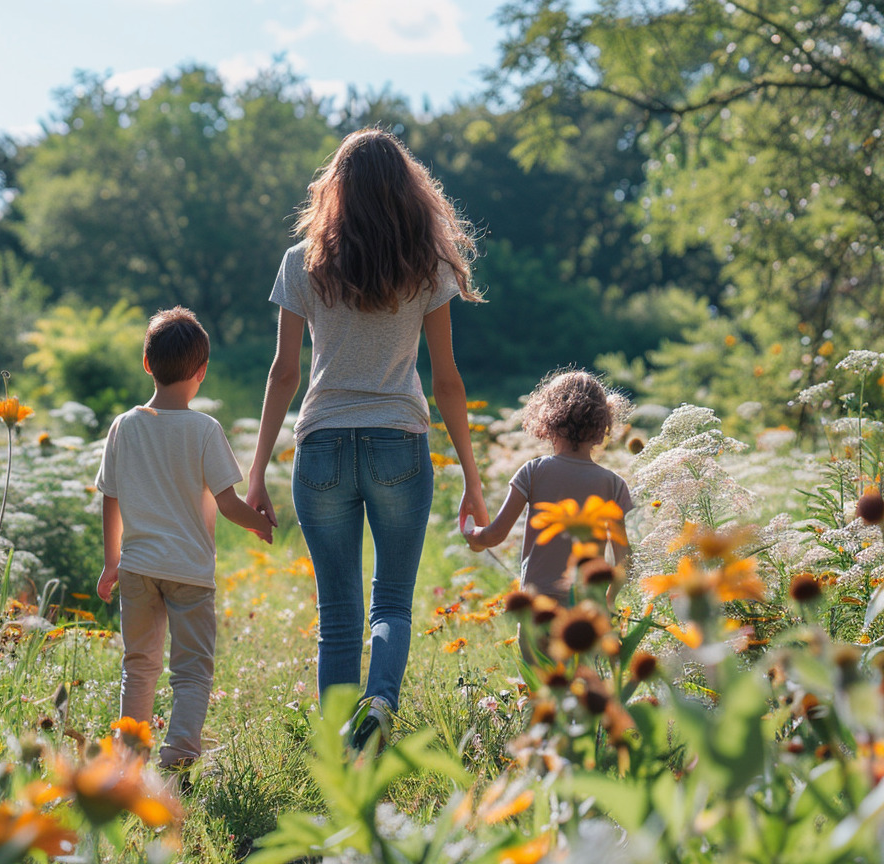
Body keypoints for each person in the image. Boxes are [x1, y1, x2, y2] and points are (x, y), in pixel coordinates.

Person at [245, 128, 488, 752]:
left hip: (321, 444)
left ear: (336, 191)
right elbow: (448, 380)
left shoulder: (302, 262)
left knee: (338, 617)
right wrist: (472, 476)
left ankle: (335, 754)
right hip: (398, 445)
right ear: (409, 193)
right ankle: (378, 703)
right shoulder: (427, 267)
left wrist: (255, 474)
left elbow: (284, 372)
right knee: (392, 604)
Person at [96, 306, 273, 772]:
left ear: (147, 363)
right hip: (190, 574)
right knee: (192, 671)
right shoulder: (205, 430)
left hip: (136, 568)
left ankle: (127, 757)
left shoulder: (125, 426)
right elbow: (229, 501)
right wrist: (259, 523)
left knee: (139, 666)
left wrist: (111, 561)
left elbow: (109, 499)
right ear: (202, 372)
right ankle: (179, 754)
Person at [465, 369, 633, 609]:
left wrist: (473, 536)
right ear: (602, 424)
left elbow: (495, 535)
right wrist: (609, 599)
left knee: (537, 648)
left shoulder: (533, 472)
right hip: (588, 611)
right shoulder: (614, 485)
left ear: (547, 418)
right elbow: (624, 561)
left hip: (539, 608)